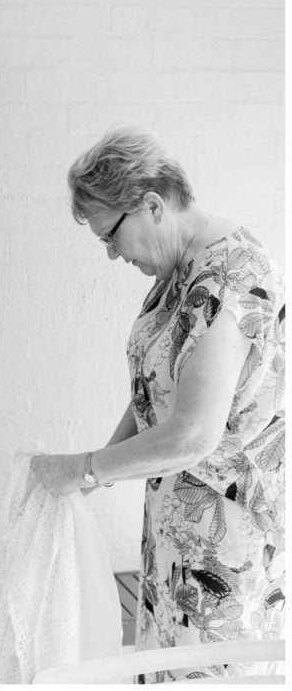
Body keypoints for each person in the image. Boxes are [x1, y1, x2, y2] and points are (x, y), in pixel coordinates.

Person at [32, 127, 285, 682]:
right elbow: (153, 396)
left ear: (151, 205)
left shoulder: (230, 278)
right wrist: (95, 468)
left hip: (224, 540)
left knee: (207, 675)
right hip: (175, 528)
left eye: (110, 237)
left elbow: (192, 432)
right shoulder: (179, 270)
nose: (110, 254)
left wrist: (85, 468)